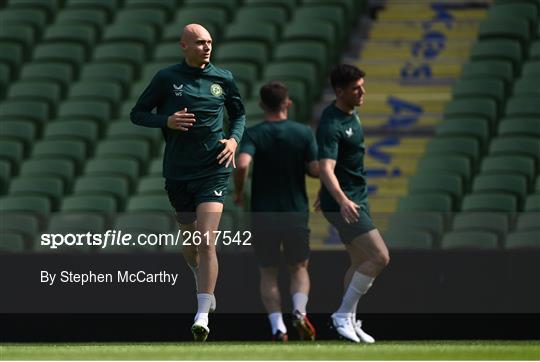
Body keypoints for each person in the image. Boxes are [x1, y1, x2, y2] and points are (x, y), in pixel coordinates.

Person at [130, 24, 245, 342]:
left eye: (210, 42)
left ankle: (202, 314)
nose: (207, 47)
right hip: (179, 174)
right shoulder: (166, 78)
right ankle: (200, 280)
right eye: (199, 43)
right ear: (183, 46)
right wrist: (165, 120)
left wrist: (234, 141)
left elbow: (239, 114)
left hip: (214, 170)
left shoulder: (223, 77)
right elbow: (137, 114)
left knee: (208, 241)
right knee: (191, 245)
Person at [234, 82, 319, 341]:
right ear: (288, 103)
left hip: (263, 214)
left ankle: (278, 327)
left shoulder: (254, 134)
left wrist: (239, 191)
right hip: (295, 212)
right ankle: (299, 311)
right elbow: (316, 170)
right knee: (299, 267)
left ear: (262, 105)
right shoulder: (303, 133)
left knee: (268, 271)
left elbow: (242, 164)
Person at [316, 64, 390, 343]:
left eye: (362, 86)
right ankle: (341, 315)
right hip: (346, 203)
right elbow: (325, 167)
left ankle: (348, 318)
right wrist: (340, 199)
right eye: (356, 88)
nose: (362, 92)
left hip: (356, 197)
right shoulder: (332, 123)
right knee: (380, 257)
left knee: (359, 261)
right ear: (339, 92)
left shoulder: (351, 114)